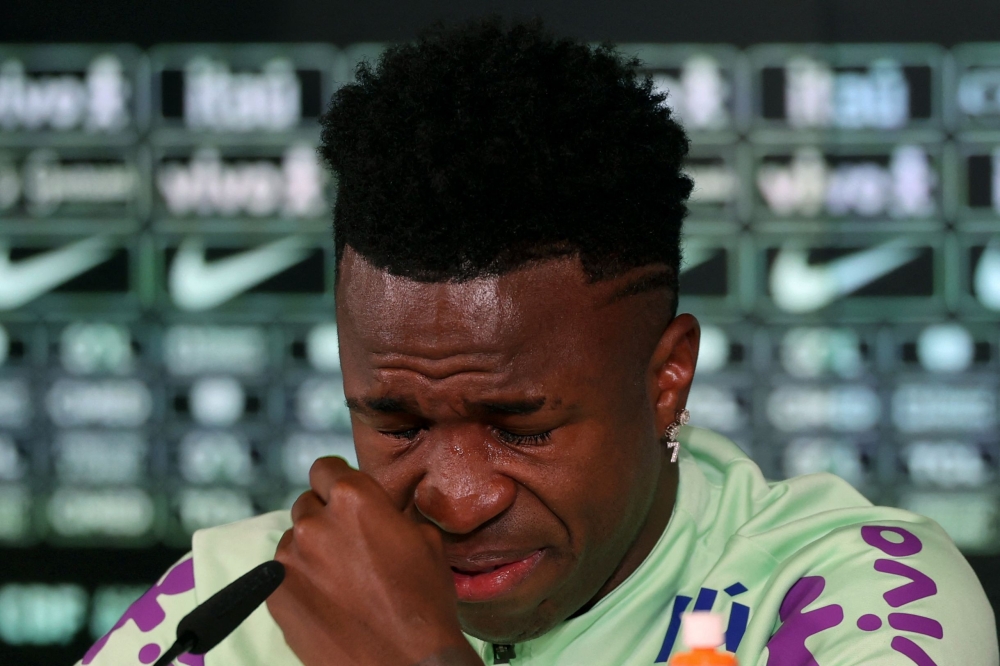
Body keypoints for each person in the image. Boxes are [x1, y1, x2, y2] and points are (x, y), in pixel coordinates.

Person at [77, 17, 998, 666]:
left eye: (521, 425)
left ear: (667, 378)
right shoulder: (233, 600)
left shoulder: (852, 598)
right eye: (395, 423)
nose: (458, 497)